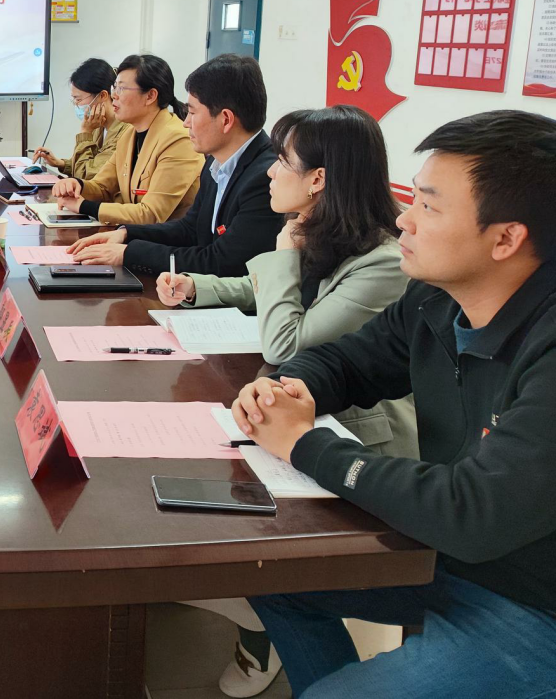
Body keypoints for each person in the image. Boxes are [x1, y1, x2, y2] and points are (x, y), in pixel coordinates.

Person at [232, 111, 556, 698]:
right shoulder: (436, 298)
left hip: (534, 603)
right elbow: (350, 361)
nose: (404, 218)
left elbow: (474, 512)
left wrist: (304, 444)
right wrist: (288, 386)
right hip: (446, 557)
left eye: (428, 206)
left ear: (506, 238)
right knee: (270, 575)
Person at [157, 105, 416, 698]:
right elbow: (263, 291)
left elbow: (286, 340)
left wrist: (283, 251)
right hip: (296, 412)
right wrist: (197, 287)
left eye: (283, 161)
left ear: (319, 179)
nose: (271, 172)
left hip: (359, 440)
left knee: (252, 547)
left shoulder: (382, 262)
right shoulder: (322, 233)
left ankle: (256, 625)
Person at [69, 54, 282, 276]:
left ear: (226, 120)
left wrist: (129, 253)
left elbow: (220, 261)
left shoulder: (264, 178)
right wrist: (126, 234)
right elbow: (190, 228)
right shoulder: (216, 164)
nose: (186, 122)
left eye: (192, 112)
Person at [50, 54, 203, 224]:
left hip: (168, 239)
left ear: (150, 96)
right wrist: (77, 184)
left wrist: (84, 206)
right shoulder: (130, 134)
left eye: (121, 89)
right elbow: (102, 187)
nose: (114, 95)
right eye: (114, 87)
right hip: (135, 234)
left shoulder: (178, 140)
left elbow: (150, 214)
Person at [31, 58, 127, 181]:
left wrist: (85, 132)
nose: (76, 104)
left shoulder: (124, 133)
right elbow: (88, 163)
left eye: (78, 99)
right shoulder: (98, 125)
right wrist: (60, 163)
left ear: (103, 95)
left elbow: (86, 175)